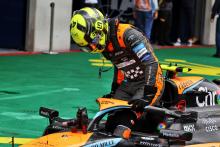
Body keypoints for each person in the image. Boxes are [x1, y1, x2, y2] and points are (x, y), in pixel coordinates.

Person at [70, 7, 164, 110]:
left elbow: (151, 63)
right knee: (112, 110)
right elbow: (119, 65)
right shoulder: (105, 43)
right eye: (87, 48)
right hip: (130, 83)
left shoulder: (128, 35)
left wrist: (148, 93)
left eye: (92, 43)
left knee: (136, 112)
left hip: (150, 82)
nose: (92, 48)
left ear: (99, 29)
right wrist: (114, 90)